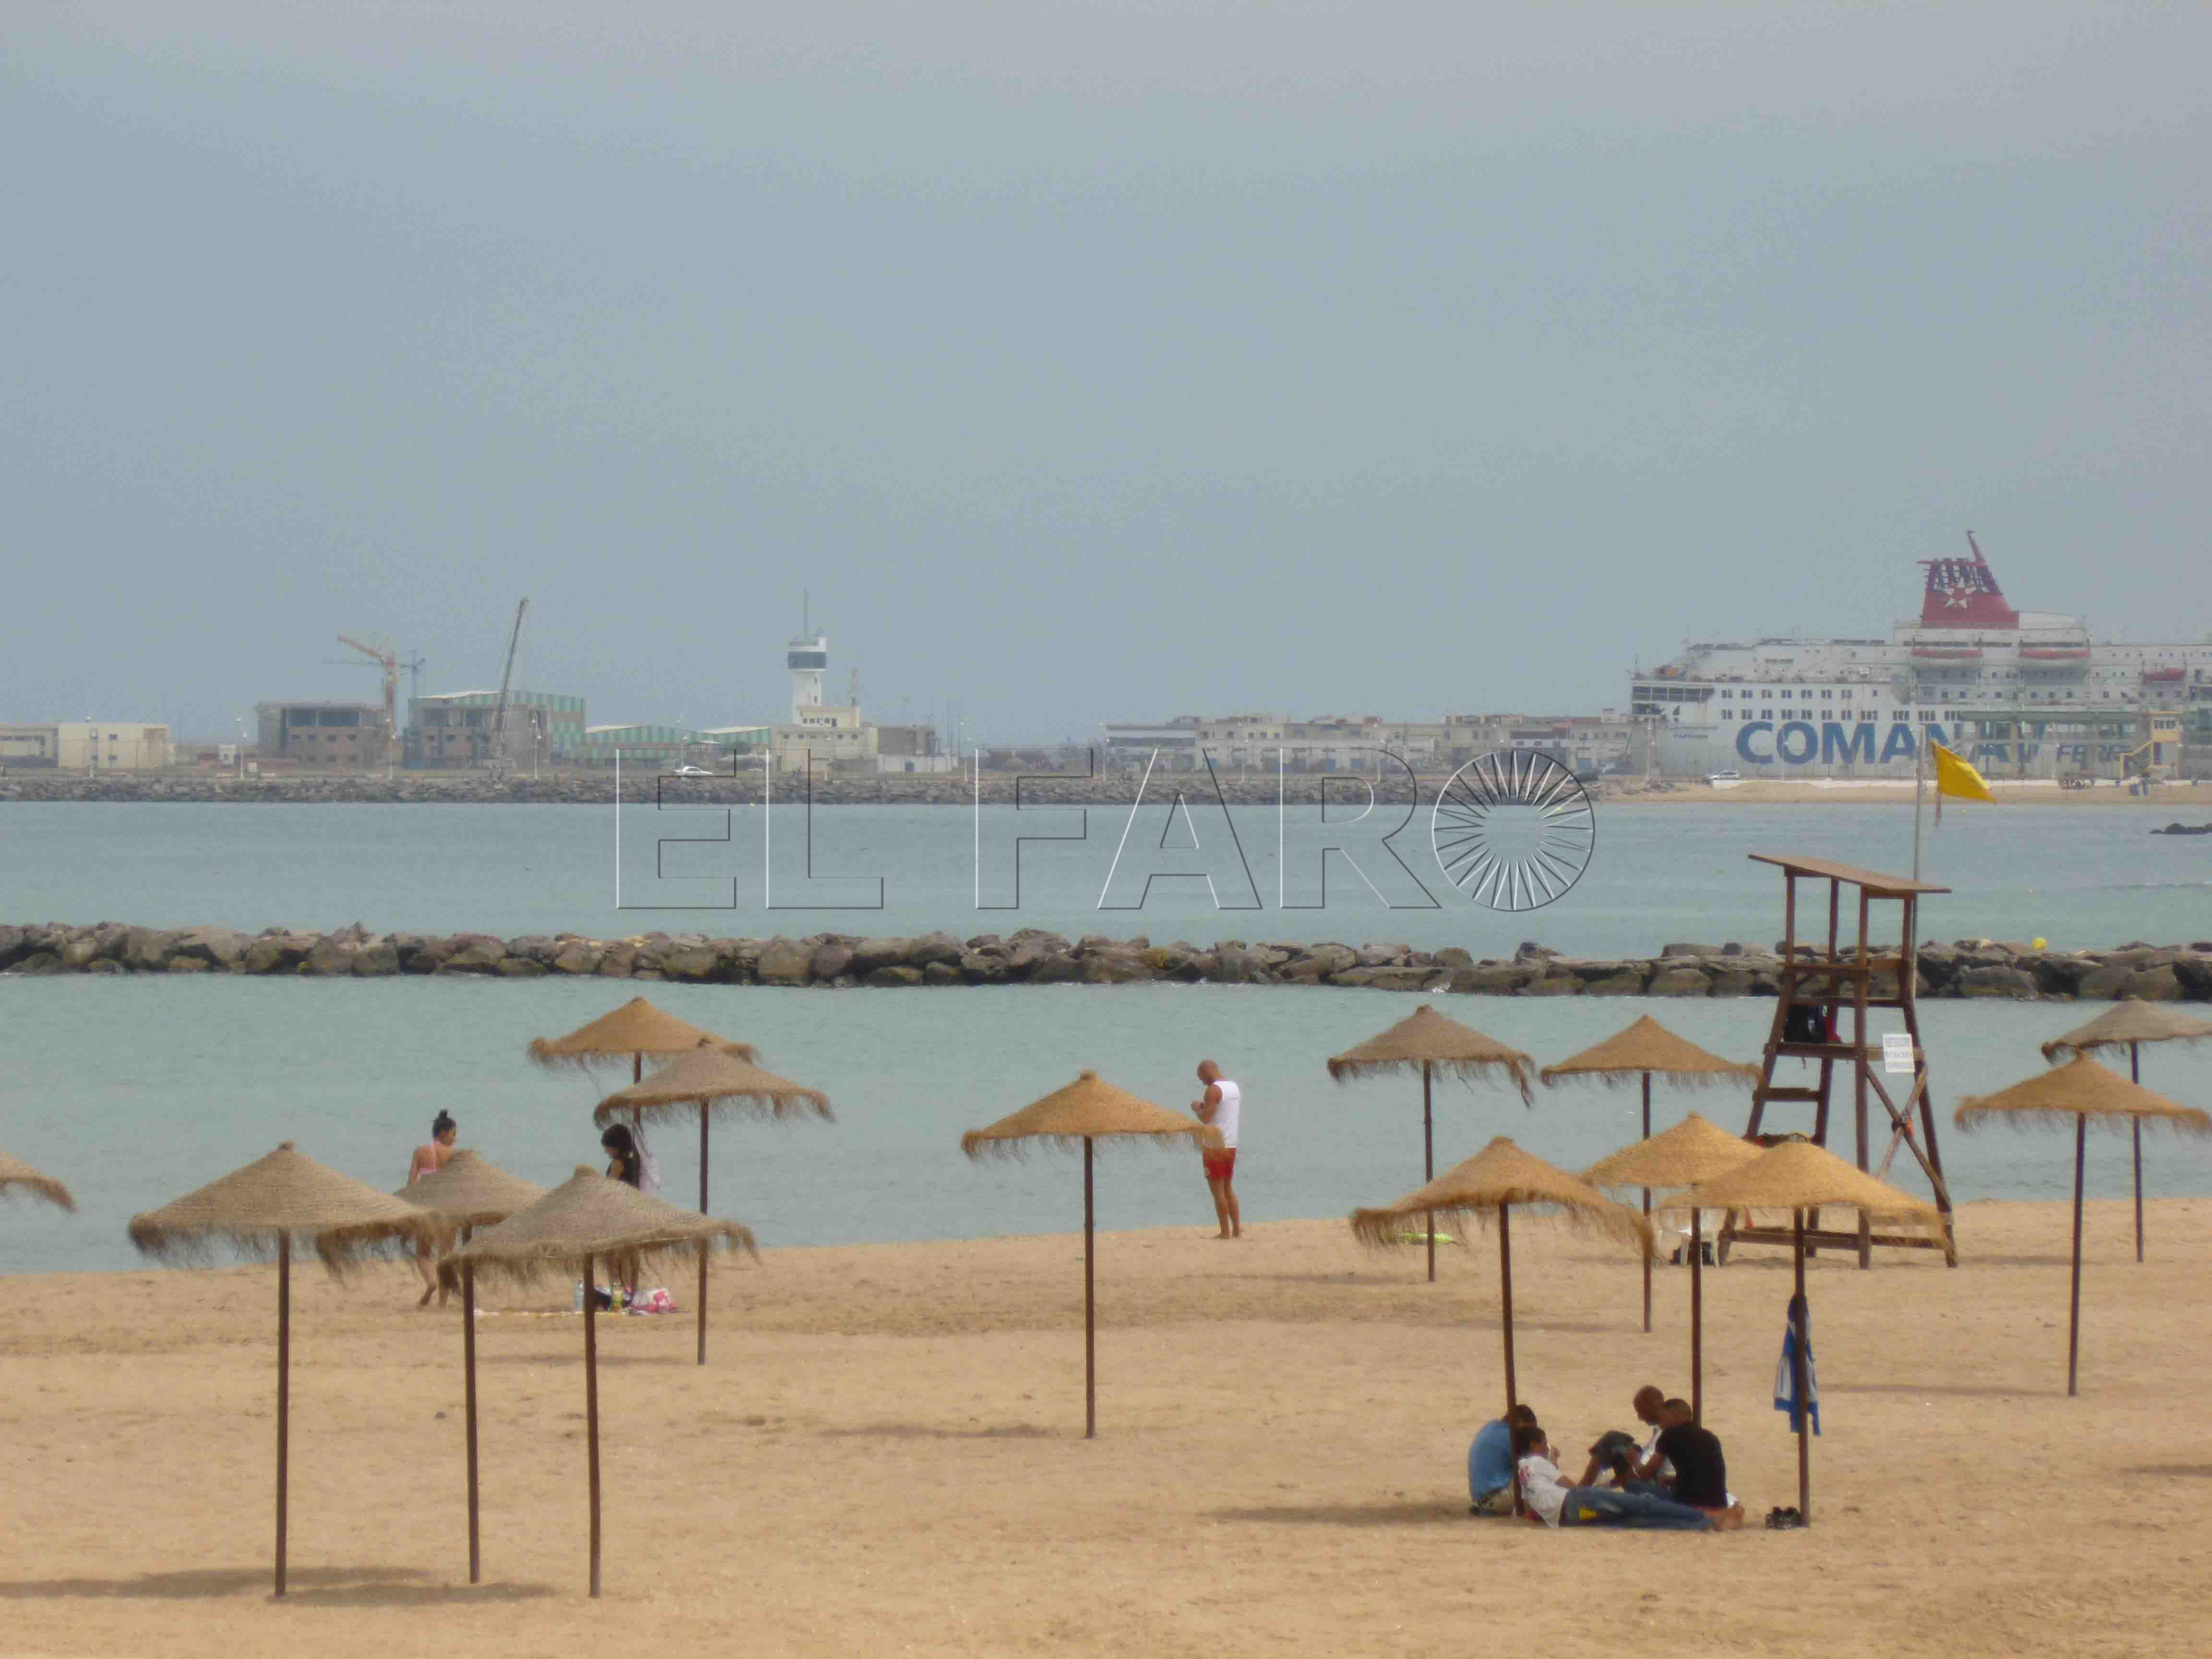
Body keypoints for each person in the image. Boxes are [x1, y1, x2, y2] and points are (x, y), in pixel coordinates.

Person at [1515, 1423, 1734, 1532]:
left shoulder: (1521, 1469)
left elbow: (1529, 1508)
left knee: (1632, 1520)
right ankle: (1705, 1518)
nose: (1546, 1447)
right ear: (1533, 1446)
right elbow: (1571, 1487)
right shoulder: (1537, 1461)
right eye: (1544, 1443)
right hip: (1576, 1501)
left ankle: (1700, 1524)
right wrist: (1553, 1460)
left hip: (1568, 1517)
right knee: (1642, 1504)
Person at [1642, 1398, 1743, 1523]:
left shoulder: (1669, 1435)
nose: (1660, 1424)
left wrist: (1634, 1459)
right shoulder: (1710, 1437)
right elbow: (1703, 1475)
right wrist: (1671, 1480)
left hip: (1690, 1505)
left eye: (1662, 1418)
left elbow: (1646, 1474)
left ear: (1674, 1417)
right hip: (1718, 1503)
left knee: (1635, 1487)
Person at [406, 1110, 458, 1308]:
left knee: (422, 1253)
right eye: (453, 1135)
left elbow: (412, 1183)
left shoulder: (420, 1152)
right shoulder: (455, 1156)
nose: (455, 1139)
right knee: (446, 1257)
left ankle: (431, 1282)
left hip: (427, 1209)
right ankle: (442, 1305)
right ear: (444, 1133)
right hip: (449, 1210)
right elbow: (462, 1186)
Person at [1190, 1058, 1241, 1239]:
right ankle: (1236, 1230)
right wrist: (1207, 1109)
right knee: (1228, 1188)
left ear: (1206, 1072)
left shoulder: (1213, 1091)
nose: (1202, 1082)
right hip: (1231, 1144)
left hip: (1214, 1145)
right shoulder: (1234, 1087)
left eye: (1201, 1077)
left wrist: (1197, 1108)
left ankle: (1225, 1232)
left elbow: (1205, 1119)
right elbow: (1221, 1112)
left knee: (1217, 1191)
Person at [1467, 1403, 1538, 1515]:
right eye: (1529, 1431)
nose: (1530, 1436)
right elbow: (1534, 1463)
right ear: (1519, 1423)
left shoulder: (1491, 1427)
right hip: (1497, 1499)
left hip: (1481, 1500)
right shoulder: (1511, 1437)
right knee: (1537, 1472)